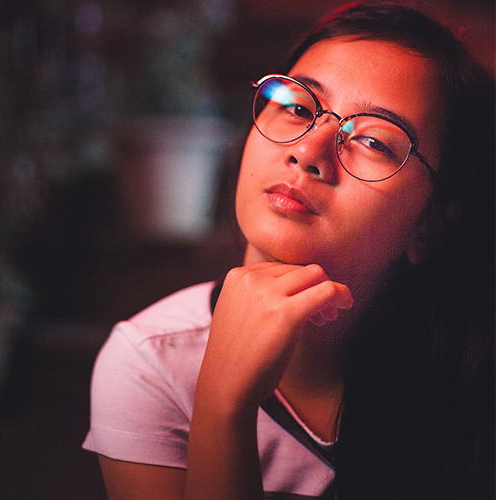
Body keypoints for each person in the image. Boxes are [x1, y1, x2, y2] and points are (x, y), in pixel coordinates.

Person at [83, 2, 495, 499]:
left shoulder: (470, 372)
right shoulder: (152, 360)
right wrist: (221, 409)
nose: (308, 151)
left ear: (428, 227)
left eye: (373, 141)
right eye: (299, 108)